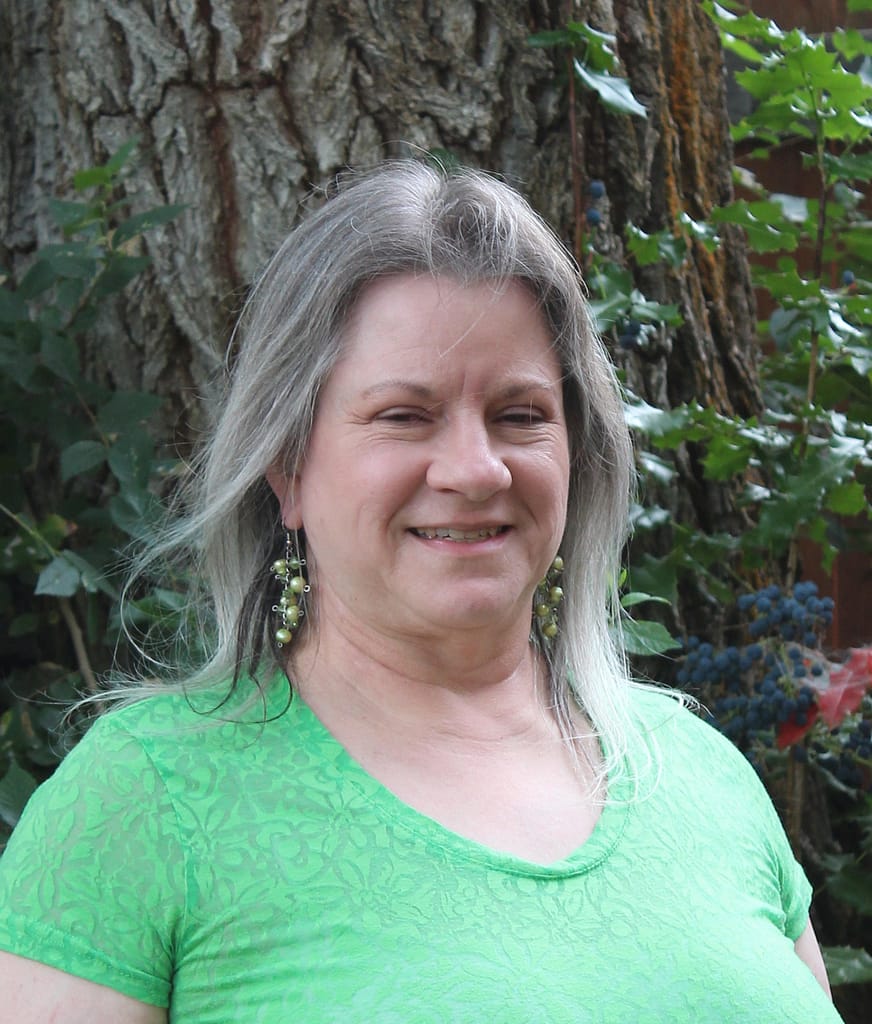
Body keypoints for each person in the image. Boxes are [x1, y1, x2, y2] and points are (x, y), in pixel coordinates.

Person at [0, 161, 841, 1023]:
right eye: (404, 415)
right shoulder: (144, 800)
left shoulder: (696, 773)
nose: (477, 469)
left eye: (520, 415)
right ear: (287, 468)